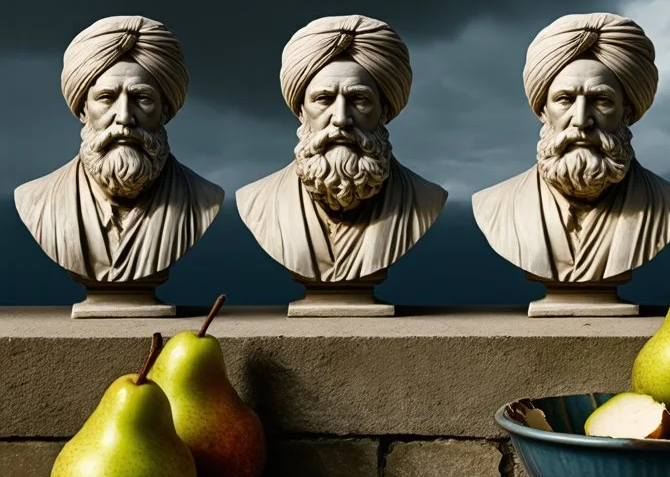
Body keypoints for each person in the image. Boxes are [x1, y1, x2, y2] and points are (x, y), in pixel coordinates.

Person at [472, 13, 670, 282]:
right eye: (564, 100)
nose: (581, 120)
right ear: (543, 110)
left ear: (627, 111)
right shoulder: (495, 205)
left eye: (601, 100)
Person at [236, 15, 447, 283]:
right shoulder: (256, 200)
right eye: (323, 99)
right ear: (301, 110)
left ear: (384, 110)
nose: (341, 118)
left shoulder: (425, 200)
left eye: (359, 99)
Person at [14, 15, 223, 283]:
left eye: (142, 98)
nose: (124, 116)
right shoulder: (36, 200)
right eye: (106, 98)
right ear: (83, 109)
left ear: (165, 110)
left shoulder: (203, 199)